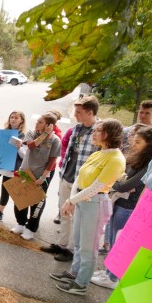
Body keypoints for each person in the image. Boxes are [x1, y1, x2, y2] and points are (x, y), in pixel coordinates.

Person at [51, 119, 126, 296]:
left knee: (88, 246)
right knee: (78, 241)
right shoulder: (98, 153)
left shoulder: (116, 158)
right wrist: (72, 199)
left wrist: (71, 201)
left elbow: (97, 187)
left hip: (96, 204)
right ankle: (74, 272)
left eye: (98, 130)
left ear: (109, 134)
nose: (93, 133)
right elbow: (80, 177)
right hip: (83, 201)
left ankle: (81, 283)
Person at [91, 126, 152, 289]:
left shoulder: (149, 163)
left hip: (129, 206)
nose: (134, 144)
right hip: (120, 202)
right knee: (114, 241)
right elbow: (121, 181)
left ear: (149, 145)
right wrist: (117, 182)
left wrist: (113, 183)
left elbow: (125, 184)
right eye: (134, 140)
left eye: (138, 142)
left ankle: (113, 277)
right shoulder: (137, 158)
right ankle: (108, 272)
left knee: (120, 244)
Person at [41, 96, 100, 262]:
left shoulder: (99, 131)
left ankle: (73, 251)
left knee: (76, 217)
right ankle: (62, 245)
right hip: (67, 174)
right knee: (64, 212)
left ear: (90, 112)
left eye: (79, 112)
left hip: (82, 182)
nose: (75, 115)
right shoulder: (77, 128)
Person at [11, 114, 61, 240]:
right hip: (24, 172)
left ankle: (30, 228)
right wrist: (44, 135)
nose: (36, 123)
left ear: (49, 125)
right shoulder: (32, 133)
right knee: (20, 200)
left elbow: (51, 161)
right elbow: (31, 146)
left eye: (40, 122)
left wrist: (43, 178)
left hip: (40, 176)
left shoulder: (55, 140)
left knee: (36, 204)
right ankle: (21, 223)